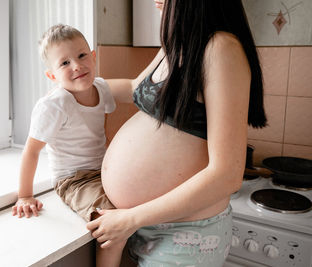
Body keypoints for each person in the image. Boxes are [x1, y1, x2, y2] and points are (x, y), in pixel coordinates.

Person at [87, 0, 267, 266]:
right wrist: (73, 91)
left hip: (185, 237)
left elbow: (228, 175)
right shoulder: (175, 45)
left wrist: (131, 218)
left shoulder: (221, 48)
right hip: (146, 223)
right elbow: (134, 87)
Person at [11, 24, 124, 267]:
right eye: (64, 63)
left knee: (142, 197)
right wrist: (25, 195)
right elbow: (31, 151)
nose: (76, 66)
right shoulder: (54, 105)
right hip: (74, 180)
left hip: (103, 170)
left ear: (93, 57)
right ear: (52, 75)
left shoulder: (101, 88)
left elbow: (105, 130)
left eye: (82, 56)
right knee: (112, 224)